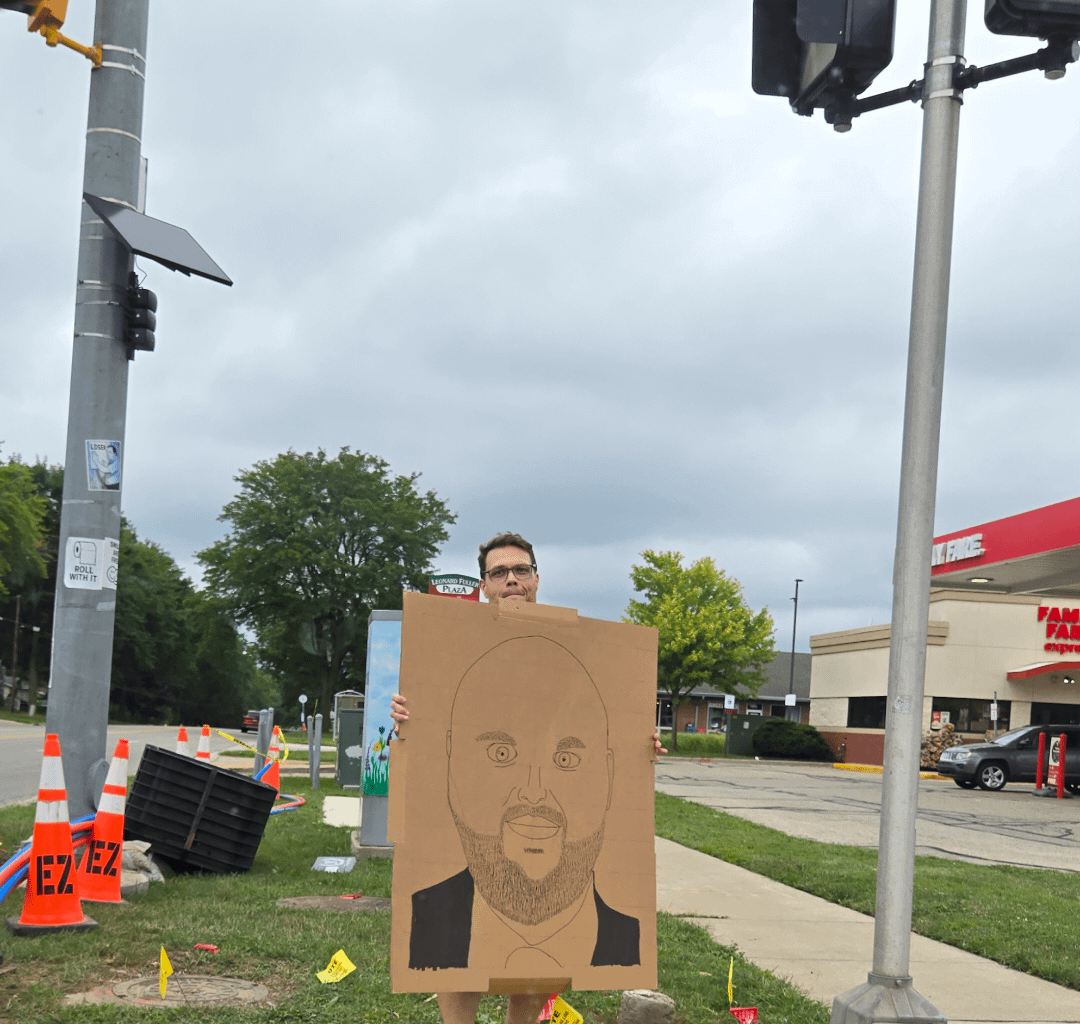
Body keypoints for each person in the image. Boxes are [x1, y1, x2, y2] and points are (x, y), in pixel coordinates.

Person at [390, 532, 663, 1024]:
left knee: (547, 938)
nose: (511, 579)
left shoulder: (576, 647)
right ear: (483, 585)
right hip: (476, 834)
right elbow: (426, 728)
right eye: (499, 572)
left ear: (537, 580)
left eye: (520, 570)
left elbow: (600, 727)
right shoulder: (449, 643)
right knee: (454, 935)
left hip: (561, 832)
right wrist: (409, 723)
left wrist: (640, 746)